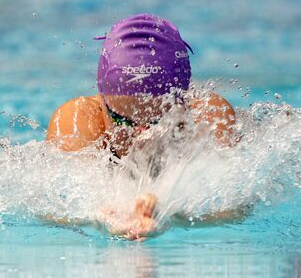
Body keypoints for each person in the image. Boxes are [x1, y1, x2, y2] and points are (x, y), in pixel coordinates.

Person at [45, 14, 239, 240]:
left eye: (157, 120)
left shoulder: (208, 115)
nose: (141, 134)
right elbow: (56, 207)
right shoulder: (78, 119)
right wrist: (104, 216)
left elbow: (235, 206)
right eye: (123, 120)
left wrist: (170, 214)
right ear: (103, 100)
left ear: (183, 101)